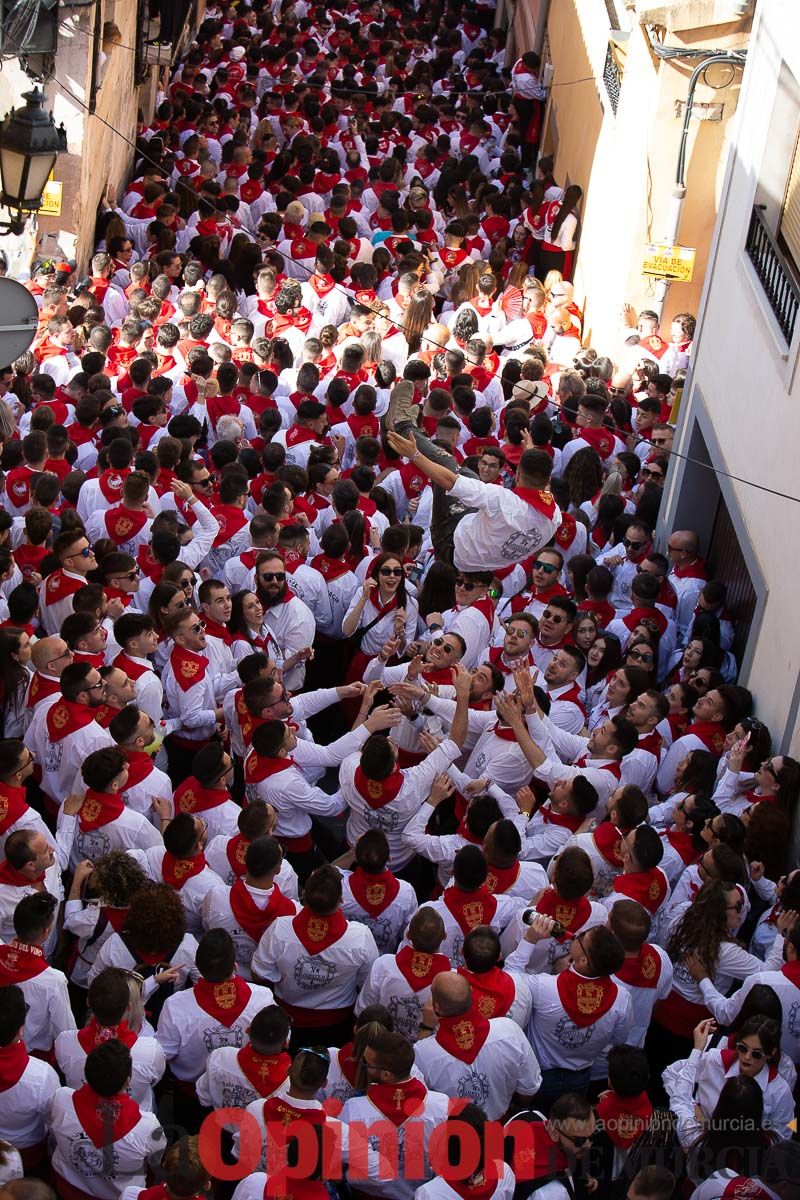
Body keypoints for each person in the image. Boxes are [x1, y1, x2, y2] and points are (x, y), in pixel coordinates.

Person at [386, 383, 560, 569]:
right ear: (548, 480)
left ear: (517, 475)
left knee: (447, 464)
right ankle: (413, 431)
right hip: (483, 556)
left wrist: (414, 455)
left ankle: (402, 424)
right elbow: (542, 489)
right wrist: (530, 452)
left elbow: (450, 481)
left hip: (450, 543)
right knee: (470, 475)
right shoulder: (554, 516)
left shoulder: (502, 500)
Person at [413, 972, 541, 1120]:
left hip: (454, 1130)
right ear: (472, 994)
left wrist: (426, 1028)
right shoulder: (509, 1029)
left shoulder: (423, 1052)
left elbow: (421, 1102)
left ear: (436, 1007)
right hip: (501, 1122)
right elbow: (529, 1088)